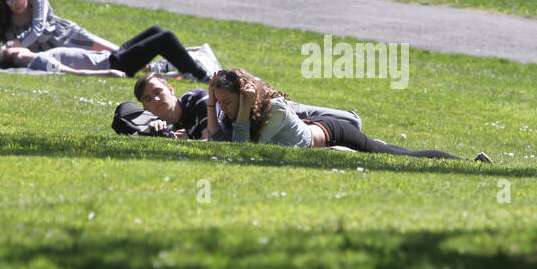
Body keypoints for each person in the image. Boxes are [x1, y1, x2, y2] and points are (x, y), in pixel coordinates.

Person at [206, 68, 491, 161]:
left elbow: (243, 151)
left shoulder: (275, 108)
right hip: (320, 136)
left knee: (400, 155)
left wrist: (242, 110)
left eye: (227, 102)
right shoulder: (230, 109)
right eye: (221, 103)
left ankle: (470, 163)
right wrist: (211, 103)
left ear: (244, 97)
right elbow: (220, 143)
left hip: (333, 132)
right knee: (390, 150)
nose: (224, 109)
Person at [118, 72, 364, 141]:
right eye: (148, 99)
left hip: (268, 108)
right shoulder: (168, 124)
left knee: (346, 121)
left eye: (158, 92)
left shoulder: (195, 100)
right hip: (265, 120)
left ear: (171, 90)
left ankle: (349, 119)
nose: (156, 100)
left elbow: (214, 135)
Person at [0, 26, 215, 80]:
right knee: (166, 38)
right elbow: (67, 70)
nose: (12, 44)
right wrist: (106, 74)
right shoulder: (27, 58)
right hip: (113, 64)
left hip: (110, 57)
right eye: (9, 47)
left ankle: (178, 61)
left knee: (156, 31)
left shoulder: (29, 56)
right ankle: (196, 72)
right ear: (14, 54)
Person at [0, 0, 117, 52]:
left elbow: (37, 29)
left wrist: (13, 44)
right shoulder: (5, 17)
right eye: (11, 1)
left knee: (115, 52)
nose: (17, 4)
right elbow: (10, 46)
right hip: (49, 53)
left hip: (68, 37)